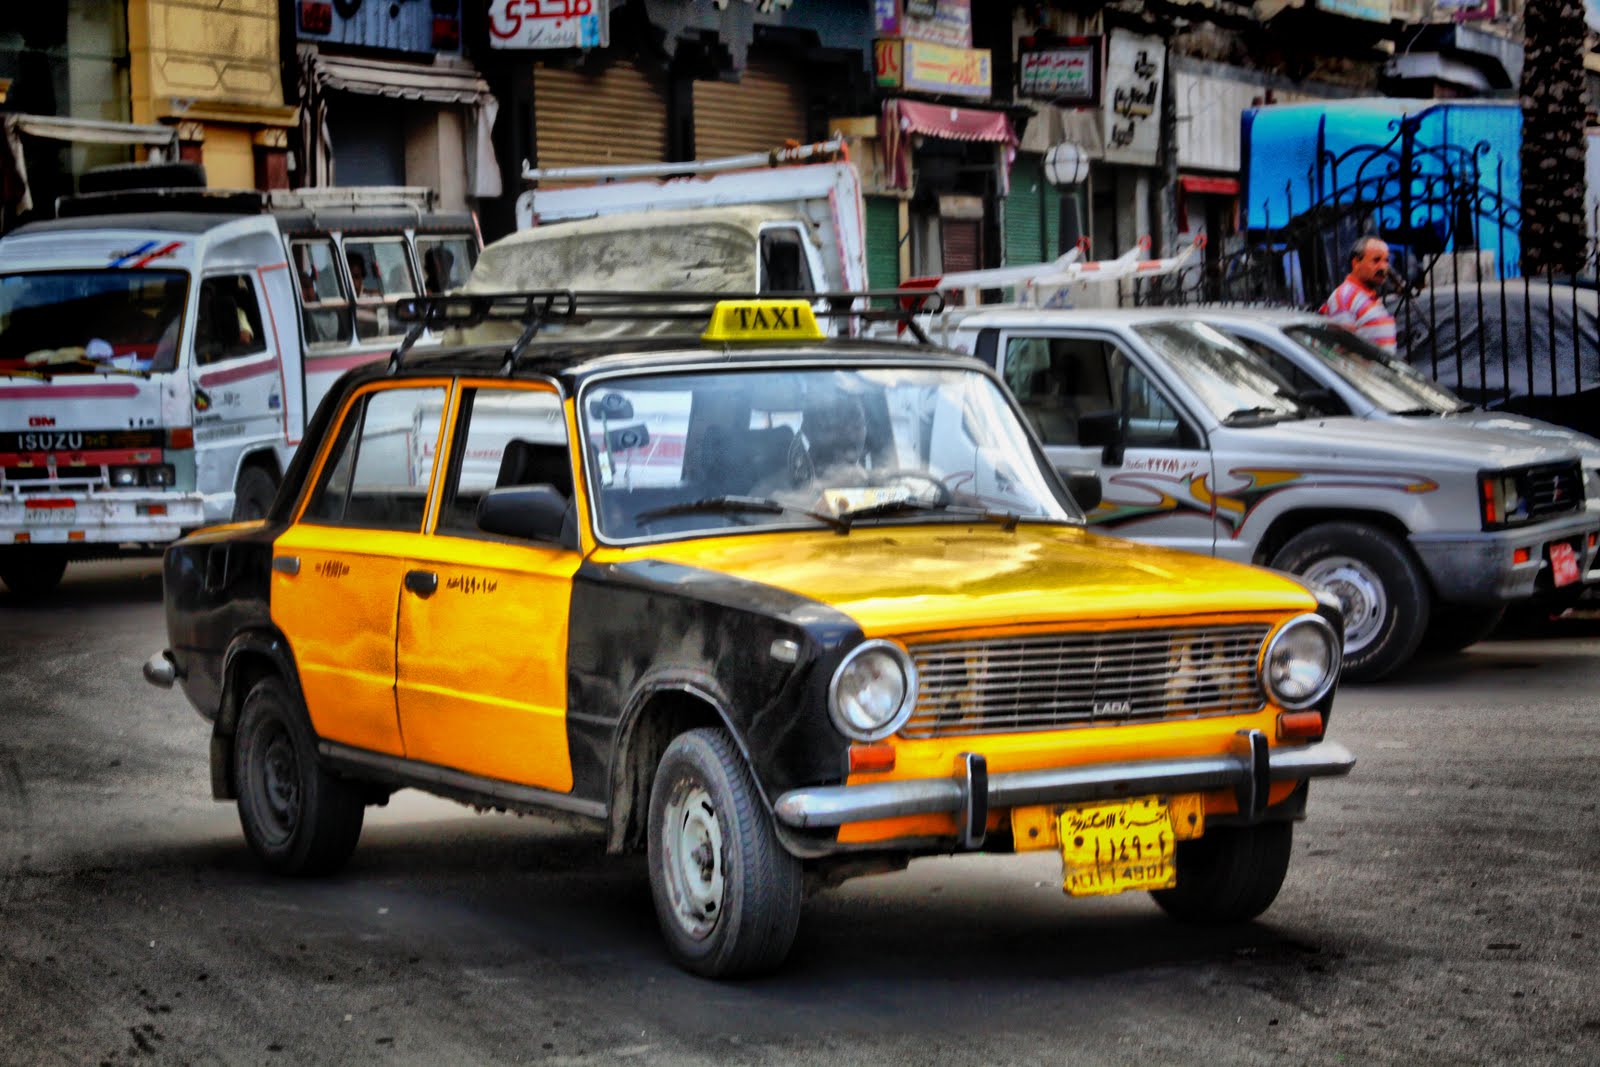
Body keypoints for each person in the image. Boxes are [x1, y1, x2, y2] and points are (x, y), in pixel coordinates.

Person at [1320, 236, 1396, 351]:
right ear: (1356, 262)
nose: (1383, 267)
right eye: (1376, 260)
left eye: (1386, 261)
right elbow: (1345, 352)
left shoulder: (1368, 297)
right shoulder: (1344, 297)